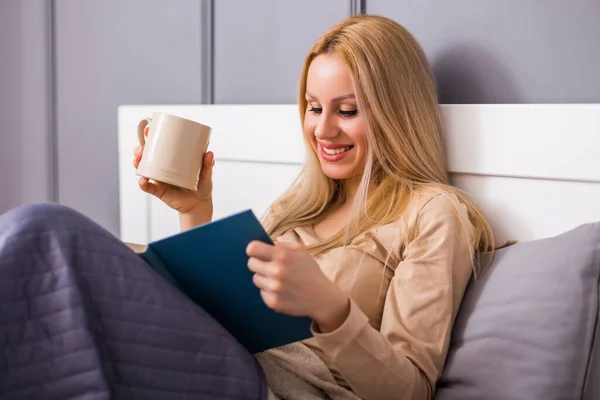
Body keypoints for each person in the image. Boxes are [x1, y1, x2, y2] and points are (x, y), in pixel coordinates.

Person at [0, 14, 493, 400]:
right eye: (313, 107)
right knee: (51, 291)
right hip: (211, 355)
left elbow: (409, 389)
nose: (323, 130)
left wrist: (330, 307)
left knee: (45, 230)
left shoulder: (432, 214)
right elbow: (221, 306)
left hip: (272, 387)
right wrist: (195, 211)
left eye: (347, 110)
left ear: (394, 111)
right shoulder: (297, 206)